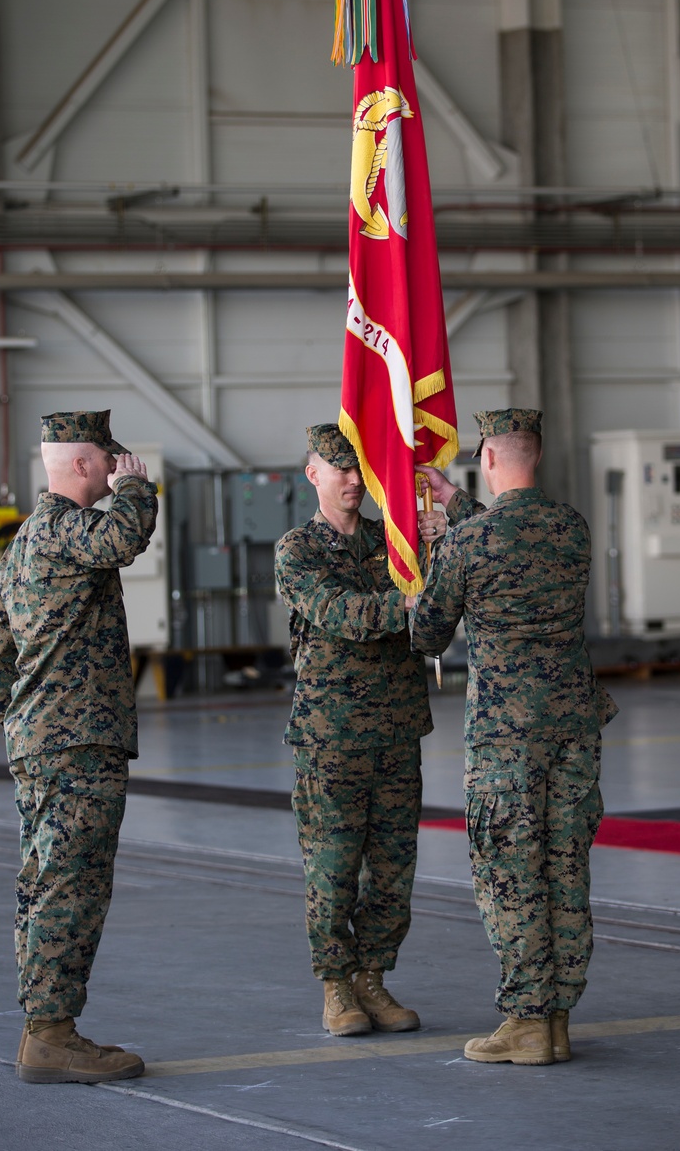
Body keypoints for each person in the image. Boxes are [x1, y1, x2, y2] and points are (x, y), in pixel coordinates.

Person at [411, 408, 616, 1067]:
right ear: (535, 455)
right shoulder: (572, 528)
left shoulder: (468, 545)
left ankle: (527, 1018)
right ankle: (556, 1017)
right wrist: (459, 509)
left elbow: (428, 634)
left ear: (489, 458)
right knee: (564, 865)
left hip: (507, 735)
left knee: (511, 871)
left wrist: (435, 554)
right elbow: (515, 534)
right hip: (573, 727)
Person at [0, 411, 157, 1084]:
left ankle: (44, 1026)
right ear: (86, 464)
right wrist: (139, 488)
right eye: (110, 461)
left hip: (44, 740)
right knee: (71, 883)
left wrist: (21, 717)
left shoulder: (26, 539)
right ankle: (53, 1033)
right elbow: (126, 537)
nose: (118, 469)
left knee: (43, 879)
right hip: (76, 741)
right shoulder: (65, 527)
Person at [274, 424, 429, 1036]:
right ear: (312, 474)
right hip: (331, 735)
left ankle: (374, 977)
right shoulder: (297, 549)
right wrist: (409, 604)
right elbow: (339, 614)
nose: (351, 479)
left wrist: (433, 556)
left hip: (396, 728)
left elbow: (436, 599)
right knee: (334, 866)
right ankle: (337, 985)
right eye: (337, 468)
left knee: (394, 868)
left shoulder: (393, 543)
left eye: (357, 468)